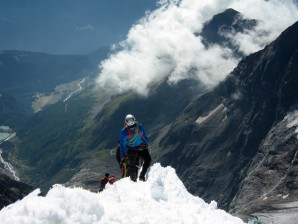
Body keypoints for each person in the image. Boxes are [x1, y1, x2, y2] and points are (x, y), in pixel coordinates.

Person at [119, 114, 151, 181]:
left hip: (136, 147)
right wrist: (124, 155)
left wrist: (124, 156)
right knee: (132, 165)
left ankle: (141, 176)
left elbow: (122, 144)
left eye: (133, 126)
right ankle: (135, 180)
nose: (132, 128)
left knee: (147, 160)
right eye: (131, 126)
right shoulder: (139, 127)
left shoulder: (124, 132)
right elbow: (122, 145)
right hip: (135, 148)